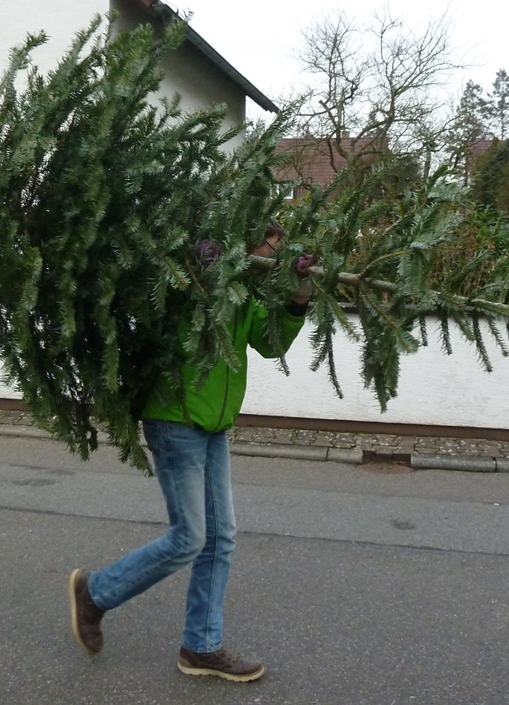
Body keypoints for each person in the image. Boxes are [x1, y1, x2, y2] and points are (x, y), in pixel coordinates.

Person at [69, 221, 313, 682]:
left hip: (213, 426)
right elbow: (152, 312)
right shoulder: (192, 275)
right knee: (190, 538)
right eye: (271, 248)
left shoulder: (247, 292)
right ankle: (95, 592)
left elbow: (270, 343)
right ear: (248, 240)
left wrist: (299, 293)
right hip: (175, 417)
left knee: (220, 539)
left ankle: (201, 647)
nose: (274, 258)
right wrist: (198, 270)